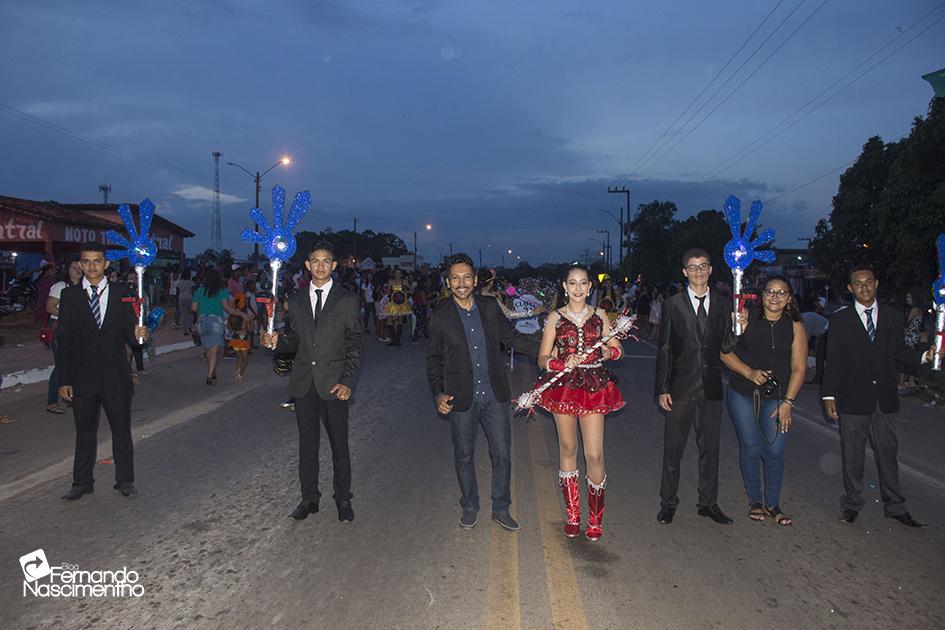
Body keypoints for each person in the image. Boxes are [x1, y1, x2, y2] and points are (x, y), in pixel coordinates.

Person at [425, 253, 540, 532]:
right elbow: (433, 360)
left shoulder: (489, 307)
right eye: (455, 278)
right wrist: (438, 394)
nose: (461, 282)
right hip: (460, 398)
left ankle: (501, 508)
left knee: (501, 453)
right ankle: (470, 505)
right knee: (463, 455)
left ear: (475, 280)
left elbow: (511, 338)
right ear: (449, 282)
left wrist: (547, 351)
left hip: (494, 396)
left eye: (466, 277)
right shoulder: (441, 316)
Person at [824, 266, 941, 528]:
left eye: (868, 282)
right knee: (852, 456)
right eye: (858, 283)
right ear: (850, 288)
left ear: (876, 284)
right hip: (852, 399)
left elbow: (899, 351)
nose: (864, 288)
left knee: (888, 454)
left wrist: (925, 356)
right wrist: (829, 396)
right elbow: (833, 362)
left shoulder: (891, 316)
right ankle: (852, 504)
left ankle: (896, 506)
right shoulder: (840, 321)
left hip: (884, 399)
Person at [262, 241, 363, 523]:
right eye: (314, 261)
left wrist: (348, 381)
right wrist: (277, 341)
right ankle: (309, 499)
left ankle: (343, 499)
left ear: (333, 266)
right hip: (304, 383)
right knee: (307, 446)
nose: (320, 266)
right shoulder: (294, 300)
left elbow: (354, 343)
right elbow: (295, 340)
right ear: (307, 266)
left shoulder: (346, 300)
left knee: (339, 446)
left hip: (334, 384)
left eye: (325, 261)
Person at [534, 263, 625, 541]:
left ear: (589, 286)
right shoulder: (554, 318)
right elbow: (541, 358)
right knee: (568, 446)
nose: (578, 288)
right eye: (572, 283)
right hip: (564, 385)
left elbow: (618, 350)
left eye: (583, 283)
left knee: (594, 453)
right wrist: (560, 361)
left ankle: (595, 519)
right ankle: (573, 515)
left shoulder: (600, 316)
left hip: (593, 386)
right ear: (564, 286)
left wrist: (606, 353)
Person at [655, 248, 744, 525]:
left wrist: (740, 327)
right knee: (673, 448)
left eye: (703, 266)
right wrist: (662, 388)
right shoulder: (673, 304)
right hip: (680, 387)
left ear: (711, 269)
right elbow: (666, 349)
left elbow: (725, 347)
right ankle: (668, 502)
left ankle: (708, 503)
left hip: (711, 388)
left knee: (710, 449)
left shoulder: (722, 304)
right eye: (693, 267)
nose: (698, 271)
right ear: (684, 272)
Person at [57, 242, 150, 500]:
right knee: (84, 432)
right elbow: (64, 341)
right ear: (80, 264)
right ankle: (82, 482)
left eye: (97, 261)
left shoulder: (122, 294)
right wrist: (64, 380)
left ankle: (125, 480)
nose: (91, 266)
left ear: (106, 264)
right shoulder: (70, 296)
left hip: (115, 377)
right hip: (82, 377)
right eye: (86, 262)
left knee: (121, 431)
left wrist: (141, 335)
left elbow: (131, 336)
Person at [721, 276, 807, 526]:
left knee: (775, 451)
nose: (775, 296)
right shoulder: (745, 318)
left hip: (778, 398)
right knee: (751, 447)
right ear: (762, 294)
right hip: (742, 393)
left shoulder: (795, 326)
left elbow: (799, 368)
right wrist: (749, 372)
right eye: (770, 291)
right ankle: (755, 501)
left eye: (782, 293)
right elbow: (724, 353)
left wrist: (788, 402)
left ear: (789, 298)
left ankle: (773, 503)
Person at [192, 268, 249, 385]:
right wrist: (242, 313)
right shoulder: (221, 291)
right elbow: (227, 308)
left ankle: (212, 371)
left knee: (208, 348)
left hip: (202, 321)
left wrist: (203, 309)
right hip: (215, 321)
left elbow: (193, 308)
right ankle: (209, 375)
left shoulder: (199, 291)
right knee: (214, 350)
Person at [45, 259, 83, 414]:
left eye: (80, 267)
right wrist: (69, 316)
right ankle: (52, 401)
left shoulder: (83, 288)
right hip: (60, 331)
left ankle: (72, 397)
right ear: (67, 269)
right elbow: (50, 307)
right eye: (74, 267)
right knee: (62, 366)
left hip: (77, 332)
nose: (78, 270)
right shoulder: (60, 286)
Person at [176, 270, 195, 335]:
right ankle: (190, 327)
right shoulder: (191, 282)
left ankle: (185, 330)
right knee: (191, 314)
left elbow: (177, 292)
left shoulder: (180, 282)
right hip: (189, 298)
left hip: (181, 299)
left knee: (183, 315)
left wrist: (176, 301)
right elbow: (193, 291)